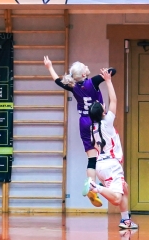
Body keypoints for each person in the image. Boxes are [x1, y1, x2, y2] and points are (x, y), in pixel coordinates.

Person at [44, 57, 116, 202]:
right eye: (85, 66)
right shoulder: (93, 82)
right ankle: (107, 184)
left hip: (83, 122)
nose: (87, 66)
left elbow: (57, 81)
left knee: (91, 158)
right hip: (97, 120)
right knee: (107, 152)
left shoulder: (73, 86)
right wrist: (107, 74)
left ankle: (92, 186)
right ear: (84, 74)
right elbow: (113, 71)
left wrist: (50, 67)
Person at [87, 69, 137, 230]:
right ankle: (95, 187)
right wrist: (108, 80)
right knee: (116, 198)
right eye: (103, 106)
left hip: (101, 165)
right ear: (103, 112)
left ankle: (125, 220)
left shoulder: (92, 128)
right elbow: (114, 100)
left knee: (124, 188)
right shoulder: (107, 122)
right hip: (111, 165)